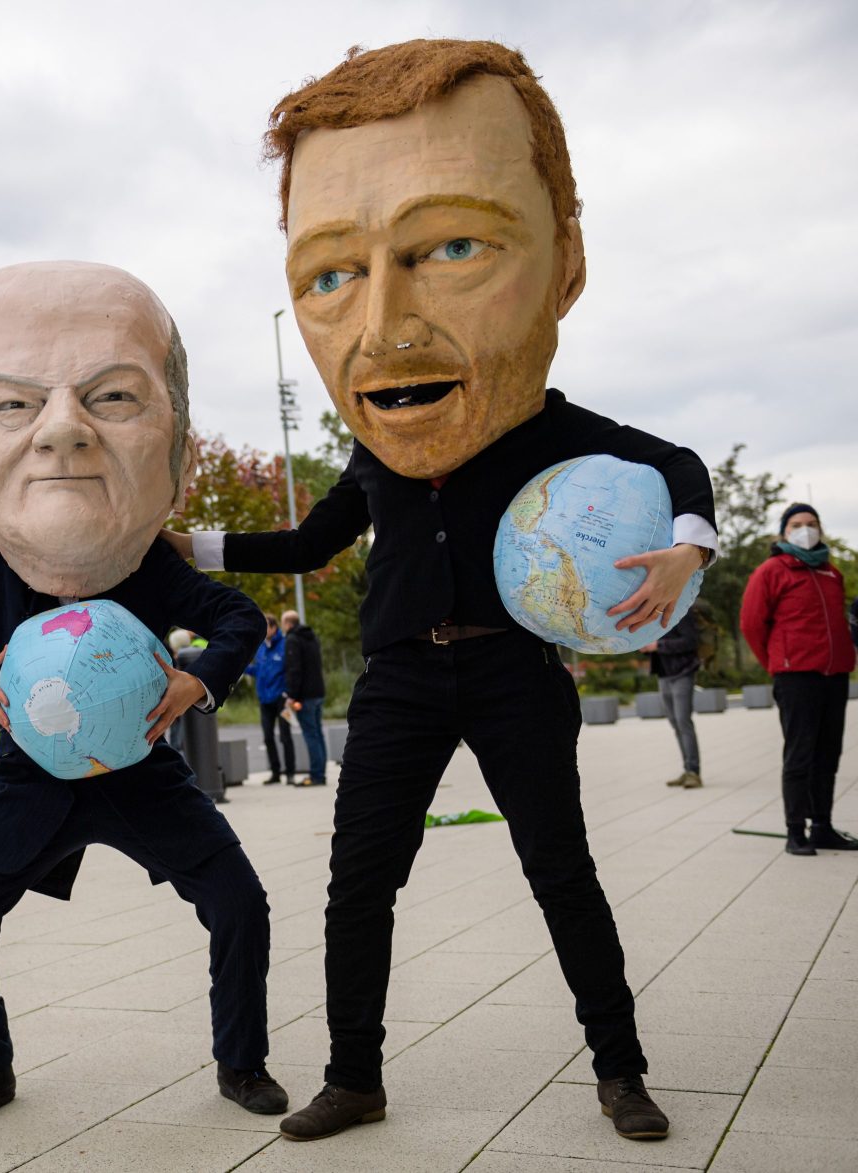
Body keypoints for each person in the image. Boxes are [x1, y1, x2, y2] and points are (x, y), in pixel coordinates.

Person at [165, 40, 717, 1143]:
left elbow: (678, 468)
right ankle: (354, 1077)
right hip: (404, 678)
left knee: (561, 871)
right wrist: (194, 547)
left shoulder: (552, 428)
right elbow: (308, 541)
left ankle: (621, 1070)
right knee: (358, 882)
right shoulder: (377, 456)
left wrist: (690, 549)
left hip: (513, 670)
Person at [0, 261, 283, 1127]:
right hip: (33, 782)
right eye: (12, 404)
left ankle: (242, 1063)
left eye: (109, 398)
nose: (61, 431)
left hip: (142, 773)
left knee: (239, 906)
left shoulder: (149, 568)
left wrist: (197, 681)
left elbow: (239, 618)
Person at [740, 503, 857, 855]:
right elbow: (751, 625)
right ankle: (796, 831)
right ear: (783, 533)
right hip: (796, 677)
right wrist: (778, 663)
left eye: (812, 523)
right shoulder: (771, 571)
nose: (805, 529)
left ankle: (822, 826)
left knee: (828, 755)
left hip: (834, 676)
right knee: (800, 755)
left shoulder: (831, 573)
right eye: (796, 524)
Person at [645, 612, 702, 788]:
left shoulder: (681, 612)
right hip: (663, 675)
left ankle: (694, 772)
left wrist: (658, 646)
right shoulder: (653, 615)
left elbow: (691, 641)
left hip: (682, 672)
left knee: (683, 722)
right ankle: (687, 770)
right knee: (675, 723)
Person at [248, 614, 295, 784]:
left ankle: (290, 772)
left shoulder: (284, 645)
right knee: (268, 737)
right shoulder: (260, 648)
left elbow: (290, 670)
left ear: (274, 628)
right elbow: (258, 671)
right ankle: (275, 772)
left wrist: (288, 693)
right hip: (265, 699)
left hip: (281, 699)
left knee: (285, 736)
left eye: (266, 626)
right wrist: (243, 668)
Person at [281, 610, 326, 786]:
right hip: (318, 691)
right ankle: (320, 772)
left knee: (310, 734)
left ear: (287, 624)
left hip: (304, 695)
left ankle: (316, 775)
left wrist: (291, 695)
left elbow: (294, 670)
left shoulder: (292, 640)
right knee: (318, 733)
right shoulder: (312, 637)